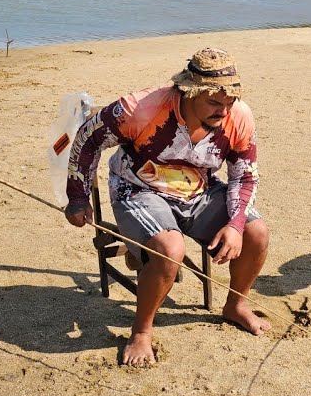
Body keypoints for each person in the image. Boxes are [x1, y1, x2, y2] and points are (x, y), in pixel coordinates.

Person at [64, 48, 270, 366]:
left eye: (229, 103)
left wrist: (236, 225)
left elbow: (244, 177)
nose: (223, 111)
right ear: (188, 92)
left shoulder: (239, 117)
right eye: (214, 102)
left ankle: (236, 306)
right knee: (169, 247)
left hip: (198, 189)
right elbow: (88, 137)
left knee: (257, 233)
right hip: (137, 189)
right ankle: (142, 332)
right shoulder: (141, 108)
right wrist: (78, 197)